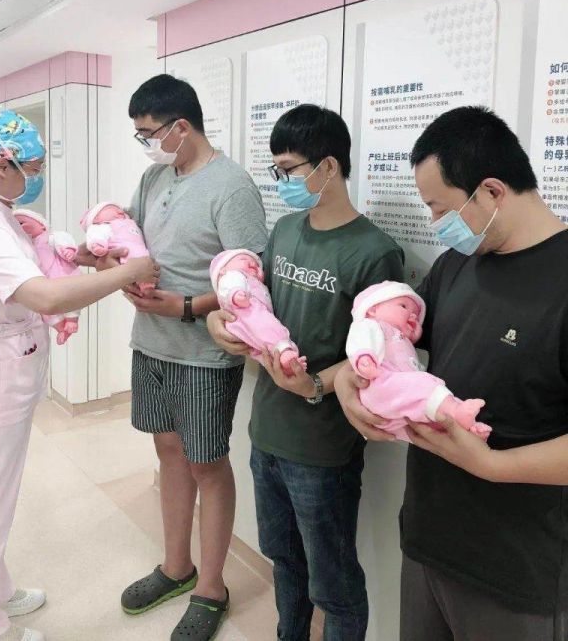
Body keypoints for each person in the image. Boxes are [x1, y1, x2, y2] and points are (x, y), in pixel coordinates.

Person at [335, 105, 568, 641]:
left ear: (491, 191)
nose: (435, 224)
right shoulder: (457, 264)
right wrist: (350, 375)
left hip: (516, 572)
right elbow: (395, 342)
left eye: (439, 209)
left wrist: (492, 465)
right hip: (428, 540)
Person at [207, 104, 404, 641]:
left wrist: (316, 384)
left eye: (289, 169)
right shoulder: (286, 230)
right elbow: (256, 305)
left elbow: (378, 355)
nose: (283, 182)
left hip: (322, 447)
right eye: (278, 170)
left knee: (333, 585)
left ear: (329, 167)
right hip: (267, 431)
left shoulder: (375, 252)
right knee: (283, 560)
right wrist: (221, 320)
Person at [83, 75, 267, 641]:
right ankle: (176, 566)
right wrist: (110, 265)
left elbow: (250, 279)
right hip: (151, 343)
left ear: (180, 127)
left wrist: (186, 306)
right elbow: (131, 238)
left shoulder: (231, 187)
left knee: (207, 464)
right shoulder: (155, 176)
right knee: (168, 452)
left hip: (202, 353)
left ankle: (212, 588)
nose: (145, 144)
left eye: (148, 133)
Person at [0, 109, 158, 641]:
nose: (37, 176)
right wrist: (130, 271)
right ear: (1, 164)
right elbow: (45, 295)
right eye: (32, 167)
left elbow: (36, 260)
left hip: (2, 371)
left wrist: (89, 258)